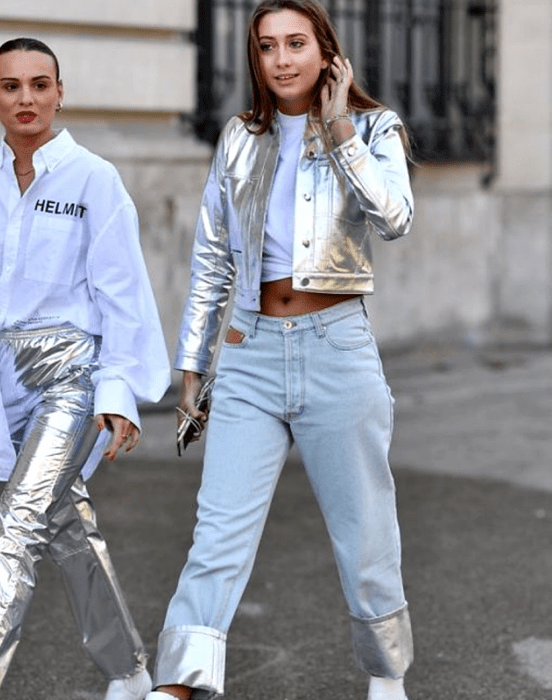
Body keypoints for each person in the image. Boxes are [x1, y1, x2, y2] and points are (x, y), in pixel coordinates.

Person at [145, 2, 415, 700]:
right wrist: (191, 366)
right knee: (217, 533)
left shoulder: (375, 126)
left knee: (364, 534)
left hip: (338, 349)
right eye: (267, 47)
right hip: (249, 352)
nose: (282, 59)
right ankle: (178, 682)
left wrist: (338, 130)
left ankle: (386, 677)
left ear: (327, 51)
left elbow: (393, 218)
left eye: (297, 43)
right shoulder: (239, 136)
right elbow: (210, 259)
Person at [0, 38, 171, 700]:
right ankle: (128, 674)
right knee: (66, 525)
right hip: (1, 374)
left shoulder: (92, 178)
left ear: (60, 92)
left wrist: (118, 391)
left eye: (40, 85)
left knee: (16, 525)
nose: (26, 99)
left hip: (70, 375)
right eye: (10, 86)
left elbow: (121, 291)